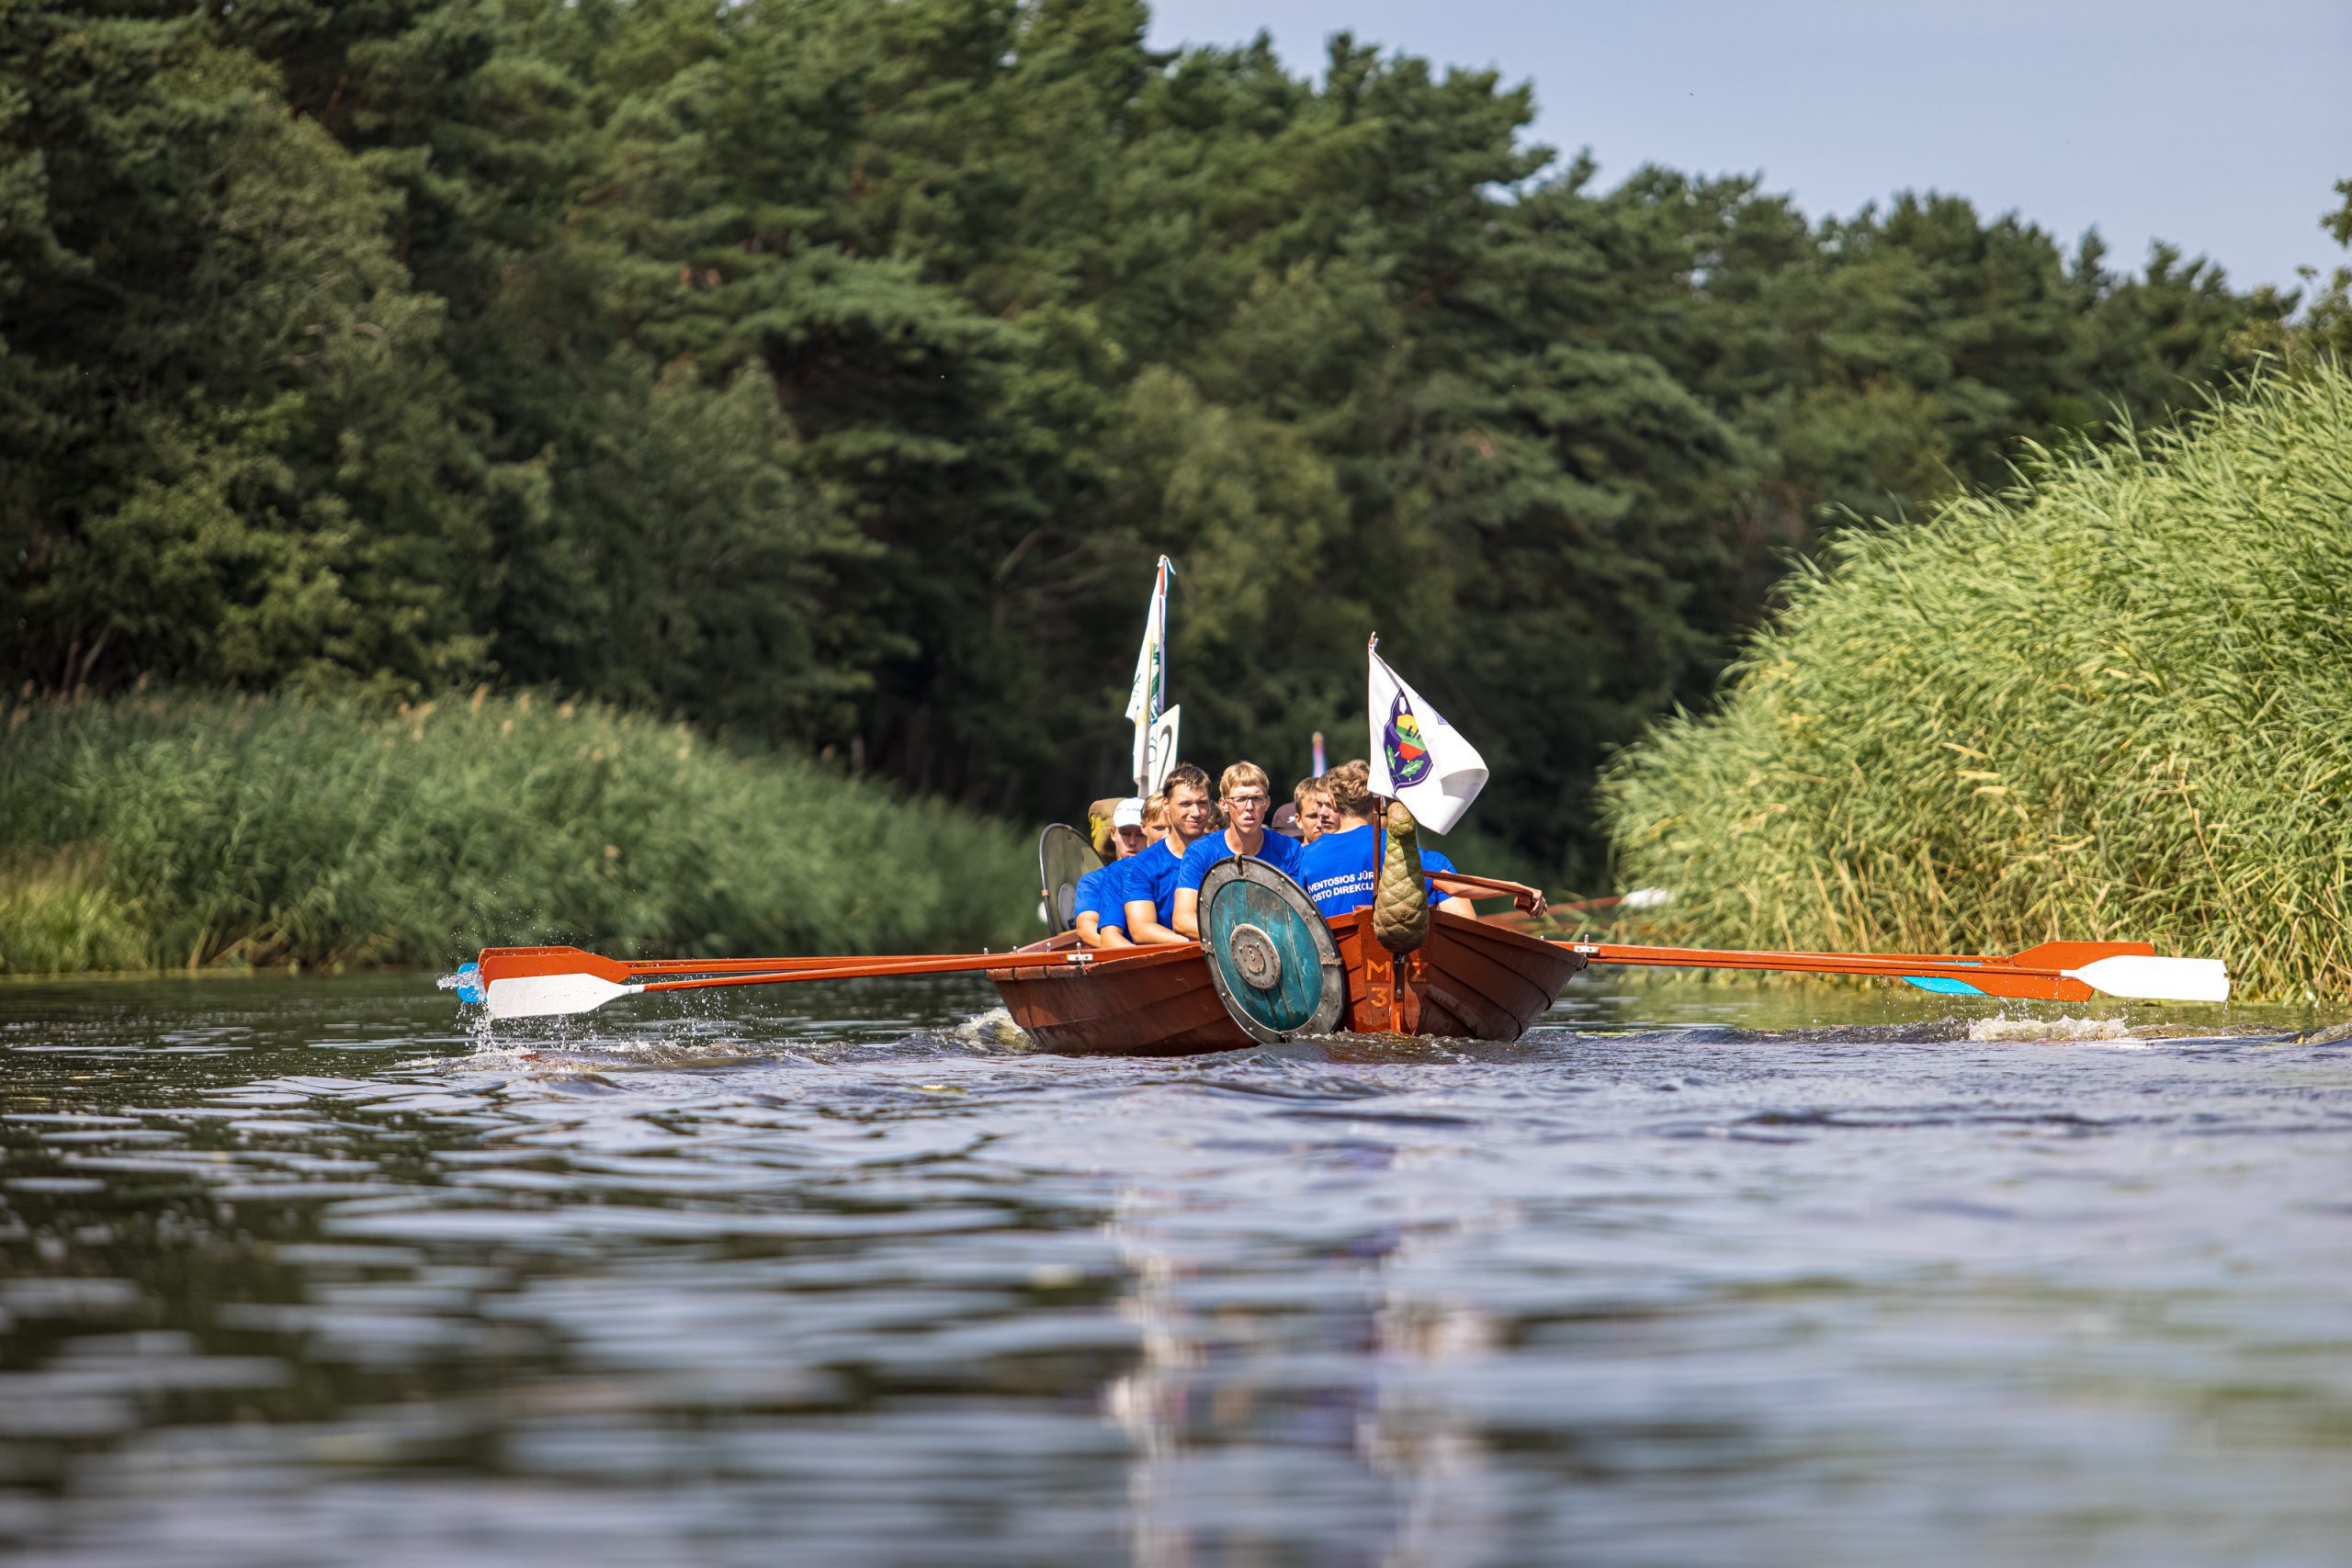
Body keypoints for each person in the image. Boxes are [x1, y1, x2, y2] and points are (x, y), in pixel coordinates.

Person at [1295, 760, 1476, 922]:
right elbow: (1453, 887)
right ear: (1376, 803)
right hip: (1389, 956)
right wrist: (1504, 887)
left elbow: (1302, 920)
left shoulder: (1308, 857)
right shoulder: (1392, 847)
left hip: (1331, 958)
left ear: (1334, 804)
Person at [1171, 761, 1306, 938]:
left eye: (1257, 799)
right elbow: (1182, 920)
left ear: (1267, 803)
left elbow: (1301, 915)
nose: (1249, 807)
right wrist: (1240, 938)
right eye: (1241, 799)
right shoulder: (1201, 852)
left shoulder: (1289, 849)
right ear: (1224, 804)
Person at [1122, 764, 1215, 944]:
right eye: (1185, 804)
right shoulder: (1141, 865)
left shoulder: (1226, 850)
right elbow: (1142, 930)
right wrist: (1201, 945)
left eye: (1202, 803)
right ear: (1166, 804)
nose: (1195, 812)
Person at [1292, 774, 1340, 844]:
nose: (1320, 824)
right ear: (1299, 821)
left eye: (1326, 816)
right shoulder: (1289, 854)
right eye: (1313, 816)